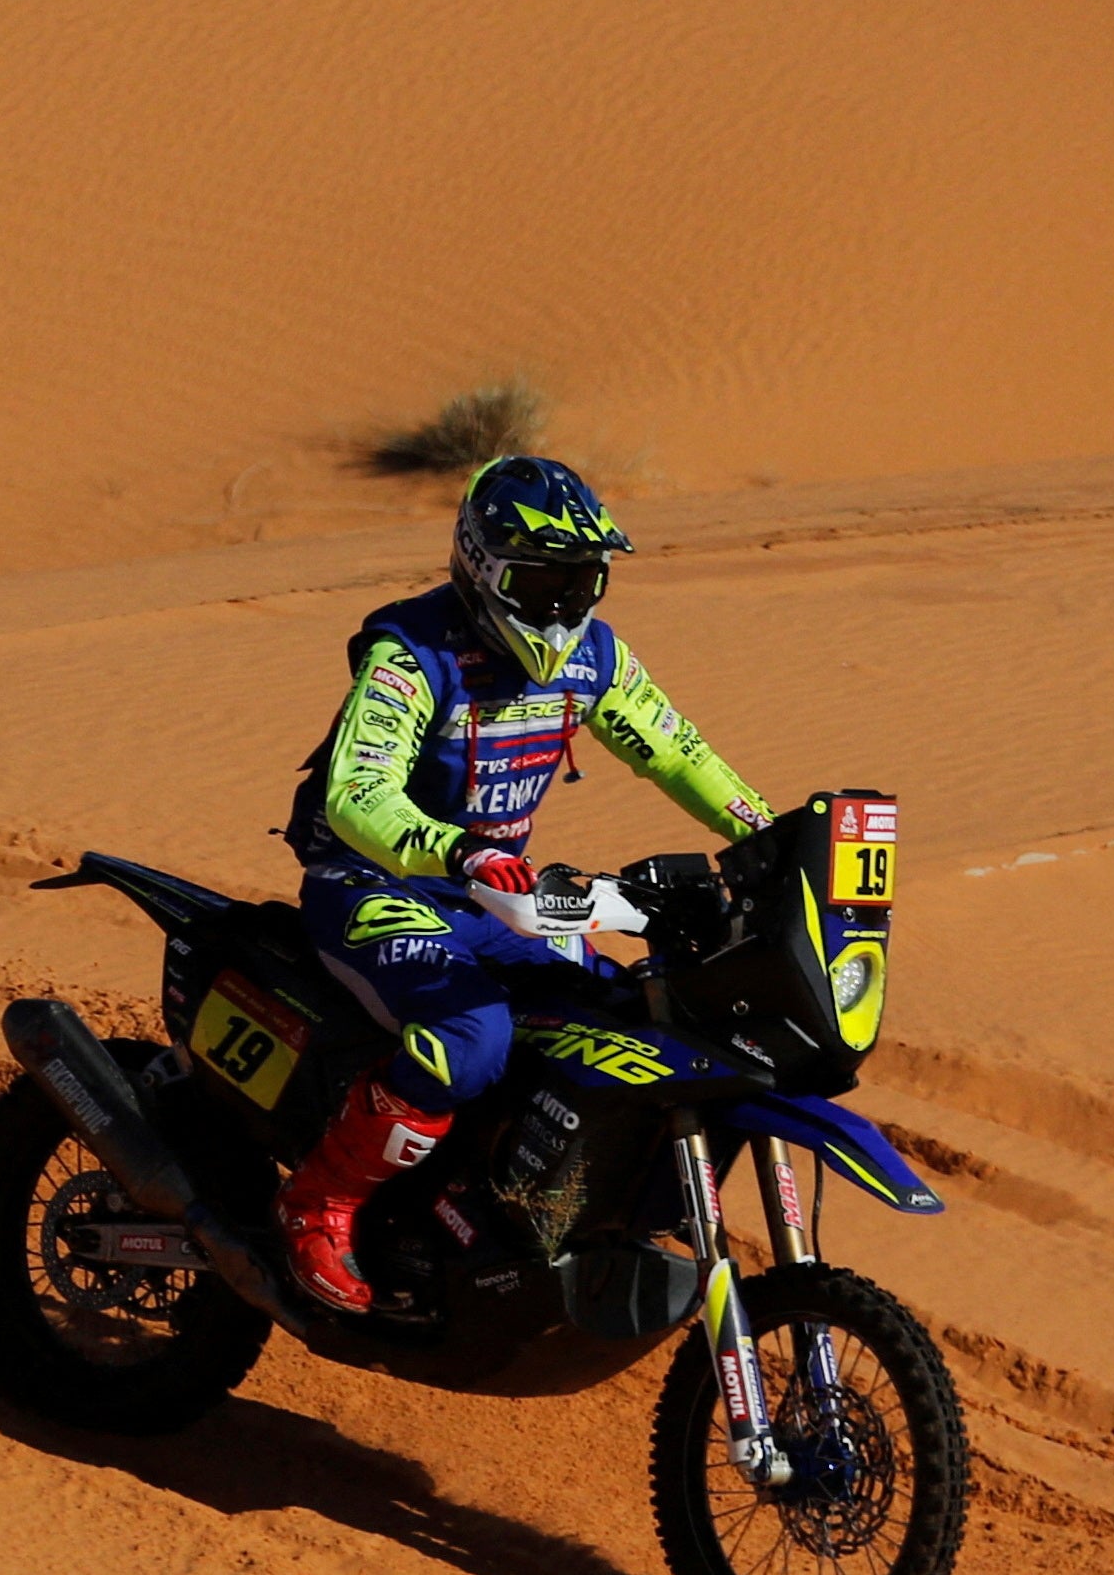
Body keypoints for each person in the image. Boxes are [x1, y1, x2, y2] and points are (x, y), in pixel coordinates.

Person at [273, 454, 770, 1313]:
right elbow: (355, 795)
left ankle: (533, 1216)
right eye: (542, 581)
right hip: (370, 884)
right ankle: (319, 1201)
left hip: (495, 898)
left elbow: (675, 751)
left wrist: (767, 834)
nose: (563, 605)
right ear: (483, 567)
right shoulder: (411, 652)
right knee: (472, 1034)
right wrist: (454, 848)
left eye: (581, 581)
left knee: (615, 1022)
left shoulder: (593, 660)